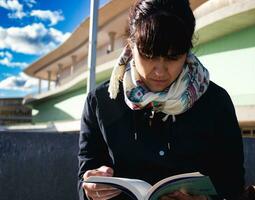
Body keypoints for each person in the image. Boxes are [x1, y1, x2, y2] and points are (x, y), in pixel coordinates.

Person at [78, 0, 245, 199]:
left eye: (173, 57)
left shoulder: (215, 102)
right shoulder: (102, 101)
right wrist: (91, 188)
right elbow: (85, 176)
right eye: (148, 55)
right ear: (131, 45)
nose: (159, 71)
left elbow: (233, 183)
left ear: (187, 50)